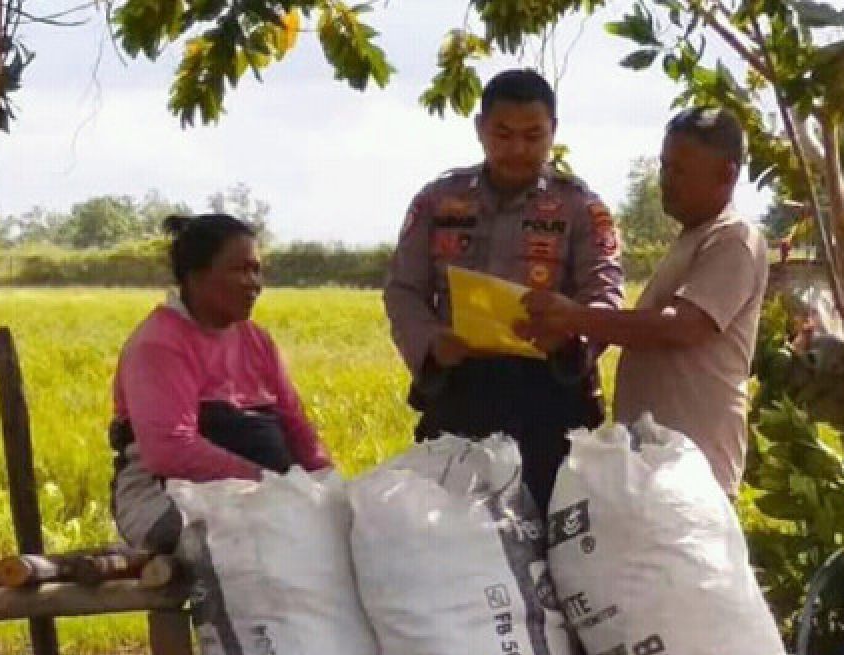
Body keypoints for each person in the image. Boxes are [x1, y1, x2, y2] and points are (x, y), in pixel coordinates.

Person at [384, 68, 623, 513]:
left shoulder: (580, 207)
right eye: (503, 134)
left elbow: (604, 294)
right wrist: (433, 343)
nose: (517, 149)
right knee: (455, 535)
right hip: (460, 391)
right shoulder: (437, 200)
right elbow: (403, 290)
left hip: (551, 395)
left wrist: (571, 332)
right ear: (480, 129)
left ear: (554, 132)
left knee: (550, 539)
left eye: (533, 136)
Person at [520, 107, 768, 497]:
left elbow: (681, 327)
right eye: (665, 167)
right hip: (656, 465)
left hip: (694, 470)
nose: (666, 182)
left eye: (680, 171)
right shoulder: (694, 238)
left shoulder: (733, 239)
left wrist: (574, 318)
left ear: (727, 174)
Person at [110, 213, 332, 552]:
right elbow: (171, 451)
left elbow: (294, 423)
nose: (253, 283)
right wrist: (269, 484)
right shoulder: (160, 344)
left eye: (256, 270)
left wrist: (326, 483)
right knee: (230, 546)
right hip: (165, 498)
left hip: (264, 494)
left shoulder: (255, 340)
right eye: (239, 270)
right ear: (196, 275)